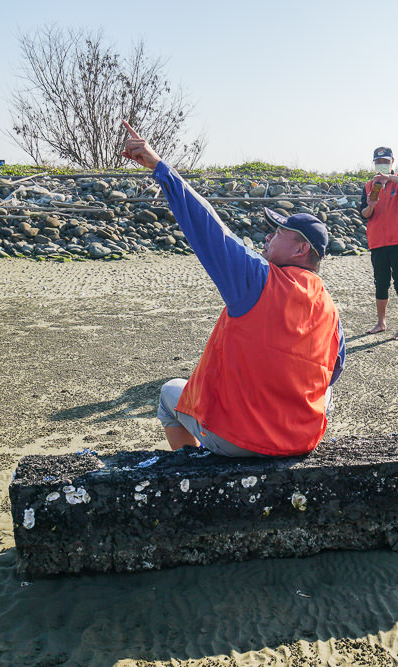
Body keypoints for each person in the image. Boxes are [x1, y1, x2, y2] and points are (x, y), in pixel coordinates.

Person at [121, 121, 345, 457]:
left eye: (279, 233)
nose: (268, 237)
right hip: (301, 440)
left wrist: (159, 167)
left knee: (170, 395)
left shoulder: (257, 278)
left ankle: (196, 474)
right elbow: (333, 372)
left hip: (239, 440)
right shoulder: (329, 306)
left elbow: (208, 227)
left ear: (301, 250)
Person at [359, 146, 398, 341]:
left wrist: (389, 178)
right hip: (377, 240)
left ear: (392, 161)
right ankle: (381, 322)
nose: (382, 164)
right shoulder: (369, 185)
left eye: (386, 161)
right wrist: (370, 205)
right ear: (374, 163)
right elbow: (364, 215)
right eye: (379, 161)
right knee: (381, 283)